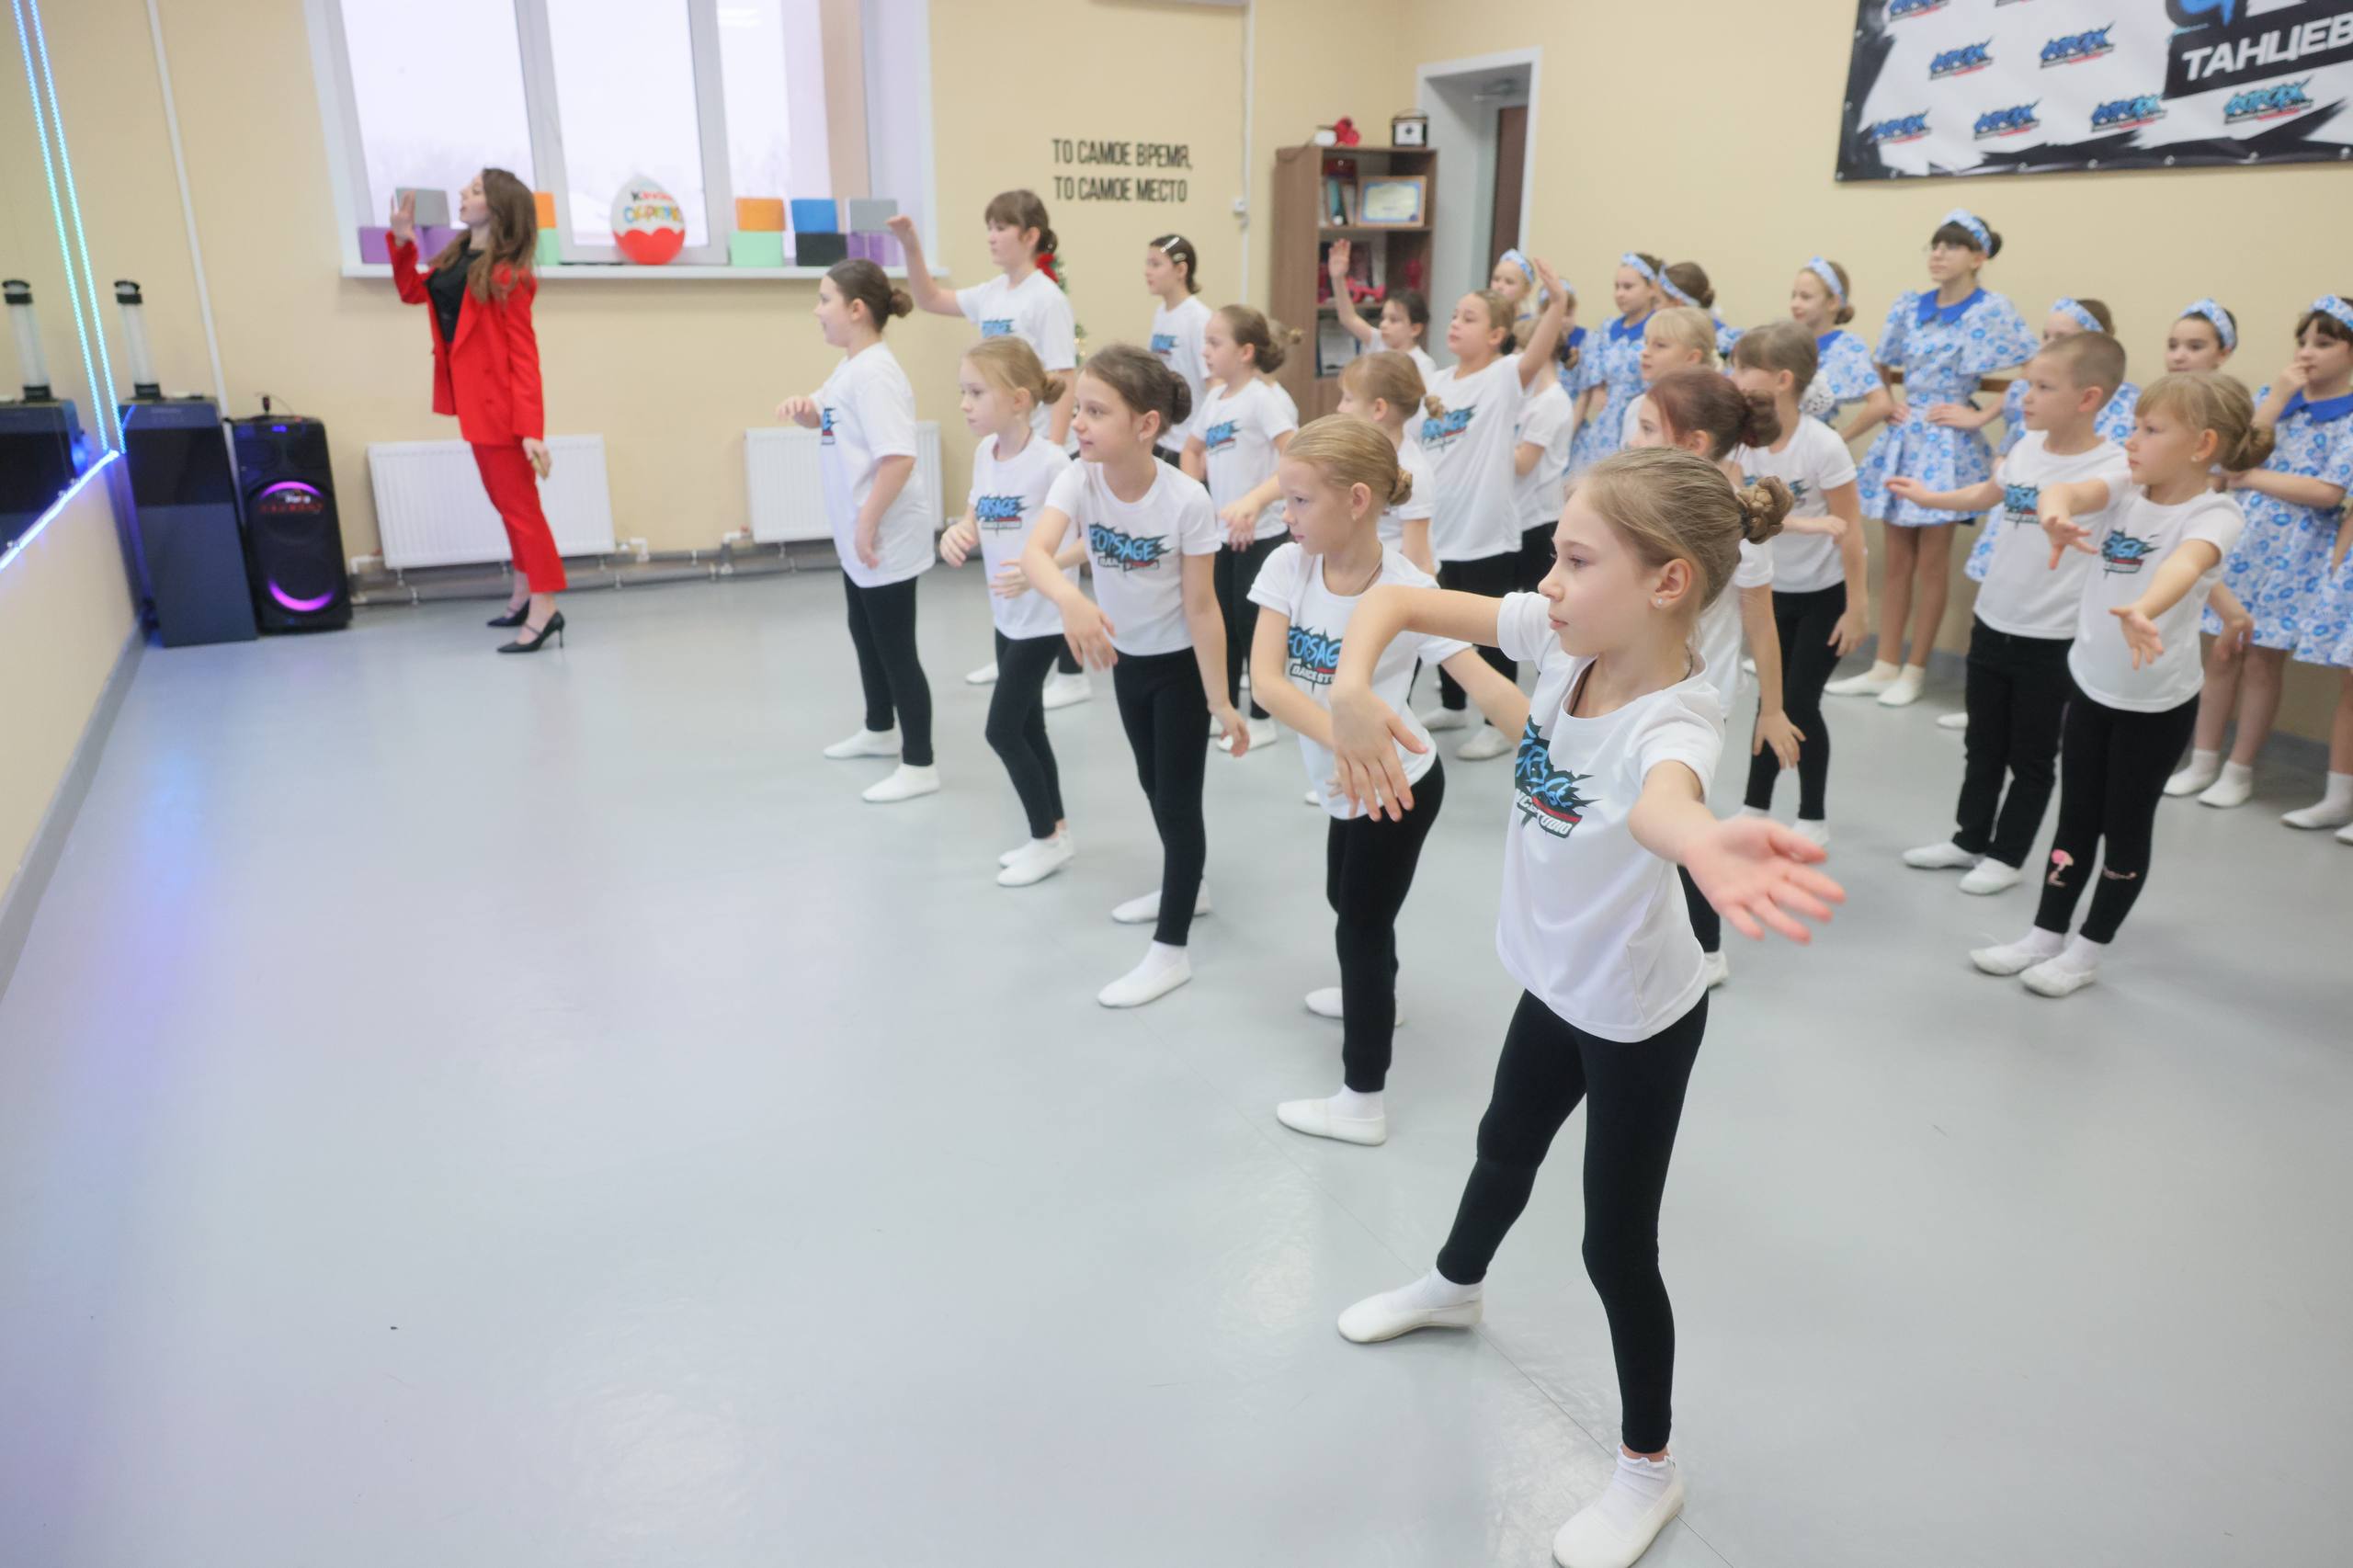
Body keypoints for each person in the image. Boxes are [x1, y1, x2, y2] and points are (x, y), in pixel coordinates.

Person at [1324, 446, 1840, 1568]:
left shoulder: (1679, 716)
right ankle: (1455, 1283)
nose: (1546, 581)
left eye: (1572, 558)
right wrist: (1354, 686)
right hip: (1553, 978)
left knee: (1614, 1243)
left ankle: (1648, 1464)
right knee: (1502, 1143)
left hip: (1634, 1013)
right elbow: (1398, 601)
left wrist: (1705, 840)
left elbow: (1663, 802)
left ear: (1665, 583)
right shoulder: (1566, 639)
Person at [1246, 417, 1522, 1145]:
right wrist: (1344, 736)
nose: (1286, 513)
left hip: (1397, 788)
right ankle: (1377, 998)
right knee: (1346, 902)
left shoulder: (1409, 589)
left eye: (1300, 500)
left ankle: (1361, 1100)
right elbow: (1267, 683)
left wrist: (1556, 753)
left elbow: (1483, 682)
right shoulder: (1289, 567)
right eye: (1284, 497)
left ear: (1358, 500)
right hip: (1346, 778)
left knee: (1361, 928)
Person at [1971, 372, 2267, 996]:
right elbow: (2068, 491)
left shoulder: (2215, 513)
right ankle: (2046, 934)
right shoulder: (2127, 486)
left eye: (2150, 430)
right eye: (2133, 426)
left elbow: (2188, 563)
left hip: (2154, 705)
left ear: (2202, 445)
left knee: (2124, 828)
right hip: (2091, 687)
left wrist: (2145, 609)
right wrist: (2054, 515)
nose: (2131, 440)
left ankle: (2087, 950)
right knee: (2075, 820)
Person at [1019, 346, 1249, 1008]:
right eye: (1079, 409)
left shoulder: (1187, 500)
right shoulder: (1080, 477)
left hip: (1178, 669)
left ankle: (1170, 951)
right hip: (1125, 663)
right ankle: (1189, 884)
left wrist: (1220, 701)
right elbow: (1036, 553)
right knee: (1152, 783)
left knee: (1177, 801)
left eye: (1096, 412)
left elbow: (1204, 609)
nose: (1079, 423)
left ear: (1146, 425)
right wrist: (1070, 599)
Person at [1893, 332, 2133, 892]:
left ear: (2088, 398)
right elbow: (1988, 494)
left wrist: (2058, 515)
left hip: (2052, 636)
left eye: (2043, 387)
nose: (2026, 397)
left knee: (2031, 755)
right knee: (1982, 743)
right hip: (1994, 620)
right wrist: (1931, 498)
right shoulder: (2025, 446)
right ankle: (1969, 839)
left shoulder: (2114, 467)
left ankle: (2007, 854)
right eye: (2028, 385)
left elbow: (2073, 501)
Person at [888, 193, 1091, 707]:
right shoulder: (992, 293)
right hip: (1007, 446)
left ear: (1030, 236)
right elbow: (929, 297)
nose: (992, 236)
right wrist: (911, 246)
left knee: (1046, 553)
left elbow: (1063, 377)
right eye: (990, 226)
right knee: (1007, 551)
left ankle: (1071, 672)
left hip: (1039, 443)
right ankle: (1013, 649)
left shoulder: (1047, 298)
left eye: (1002, 227)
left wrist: (1053, 448)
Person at [1836, 209, 2037, 708]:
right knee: (1897, 559)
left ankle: (1916, 670)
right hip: (1906, 437)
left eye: (1952, 246)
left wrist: (1980, 414)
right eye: (1935, 245)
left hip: (1948, 444)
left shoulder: (1991, 309)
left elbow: (2035, 369)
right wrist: (1889, 400)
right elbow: (1881, 361)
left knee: (1932, 563)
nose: (1939, 254)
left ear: (1978, 257)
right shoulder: (1910, 305)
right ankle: (1884, 664)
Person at [2161, 296, 2353, 811]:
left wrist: (2251, 478)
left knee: (2263, 663)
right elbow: (2230, 460)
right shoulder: (2274, 400)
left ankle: (2240, 769)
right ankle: (2202, 760)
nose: (2308, 352)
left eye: (2324, 343)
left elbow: (2328, 491)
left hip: (2298, 553)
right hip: (2246, 540)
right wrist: (2278, 399)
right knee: (2221, 652)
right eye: (2303, 341)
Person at [778, 260, 938, 804]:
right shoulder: (851, 367)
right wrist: (805, 410)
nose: (816, 311)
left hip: (882, 533)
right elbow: (824, 415)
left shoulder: (876, 375)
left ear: (856, 310)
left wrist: (866, 524)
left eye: (824, 300)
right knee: (864, 632)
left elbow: (898, 458)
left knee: (895, 648)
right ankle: (879, 728)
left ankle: (920, 763)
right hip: (859, 533)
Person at [386, 170, 563, 653]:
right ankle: (524, 593)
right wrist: (401, 241)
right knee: (508, 507)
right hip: (472, 404)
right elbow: (412, 291)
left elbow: (524, 357)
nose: (464, 194)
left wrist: (531, 430)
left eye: (477, 190)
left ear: (500, 208)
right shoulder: (456, 257)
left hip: (500, 410)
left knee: (523, 512)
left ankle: (546, 607)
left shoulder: (510, 276)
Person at [937, 338, 1078, 883]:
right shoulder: (985, 454)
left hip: (1044, 619)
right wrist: (958, 532)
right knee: (1029, 725)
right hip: (1006, 615)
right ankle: (1057, 829)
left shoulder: (1052, 464)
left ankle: (1044, 839)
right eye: (963, 392)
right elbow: (976, 514)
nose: (965, 404)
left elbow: (1087, 539)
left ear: (1019, 400)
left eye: (976, 393)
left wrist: (1041, 567)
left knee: (1002, 730)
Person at [1419, 264, 1572, 759]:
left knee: (1492, 631)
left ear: (1496, 335)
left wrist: (1556, 303)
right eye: (1454, 315)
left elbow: (1536, 352)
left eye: (1469, 318)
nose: (1455, 323)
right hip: (1440, 529)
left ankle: (1495, 722)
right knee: (1442, 623)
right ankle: (1454, 704)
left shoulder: (1503, 377)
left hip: (1484, 533)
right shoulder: (1437, 381)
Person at [1730, 324, 1869, 841]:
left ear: (1783, 380)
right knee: (1771, 698)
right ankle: (1755, 806)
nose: (1734, 376)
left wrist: (1857, 605)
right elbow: (1736, 511)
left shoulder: (1824, 445)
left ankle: (1813, 816)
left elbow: (1850, 529)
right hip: (1768, 593)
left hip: (1822, 596)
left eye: (1745, 368)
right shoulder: (1740, 445)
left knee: (1799, 701)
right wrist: (1803, 524)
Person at [1184, 306, 1302, 750]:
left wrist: (1254, 501)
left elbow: (1295, 458)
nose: (1205, 351)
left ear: (1246, 352)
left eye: (1215, 343)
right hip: (1221, 536)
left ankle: (1263, 716)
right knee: (1224, 624)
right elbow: (1191, 450)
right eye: (1205, 341)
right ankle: (1228, 709)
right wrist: (1197, 495)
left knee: (1256, 627)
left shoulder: (1262, 398)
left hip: (1261, 535)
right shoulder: (1215, 399)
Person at [1567, 253, 1663, 476]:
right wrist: (1598, 387)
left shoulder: (1657, 328)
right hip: (1606, 422)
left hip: (1641, 414)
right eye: (1617, 286)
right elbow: (1593, 361)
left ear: (1652, 289)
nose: (1620, 293)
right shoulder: (1608, 328)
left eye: (1628, 287)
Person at [1788, 256, 1888, 431]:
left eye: (1805, 297)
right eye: (1793, 295)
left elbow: (1881, 403)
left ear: (1833, 302)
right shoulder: (1788, 343)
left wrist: (1838, 440)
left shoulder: (1846, 347)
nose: (1795, 304)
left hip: (1812, 441)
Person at [1325, 238, 1437, 383]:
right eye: (1383, 318)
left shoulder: (1423, 364)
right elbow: (1348, 317)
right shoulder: (1379, 341)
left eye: (1394, 320)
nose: (1384, 324)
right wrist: (1338, 278)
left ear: (1415, 329)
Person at [1144, 233, 1211, 469]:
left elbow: (1215, 384)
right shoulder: (1161, 313)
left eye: (1156, 264)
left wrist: (1205, 443)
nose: (1147, 271)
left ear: (1181, 270)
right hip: (1163, 437)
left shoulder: (1199, 319)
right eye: (1147, 263)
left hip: (1188, 443)